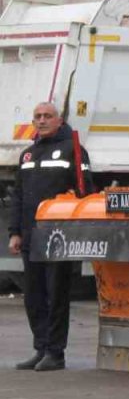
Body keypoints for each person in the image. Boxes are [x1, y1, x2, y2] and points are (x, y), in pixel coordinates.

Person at [7, 102, 94, 372]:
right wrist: (15, 233)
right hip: (31, 236)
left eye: (48, 116)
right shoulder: (27, 155)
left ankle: (56, 353)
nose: (42, 120)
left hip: (59, 236)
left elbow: (86, 192)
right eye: (38, 117)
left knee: (56, 295)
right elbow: (18, 197)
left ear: (59, 121)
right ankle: (41, 347)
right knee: (33, 295)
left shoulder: (74, 150)